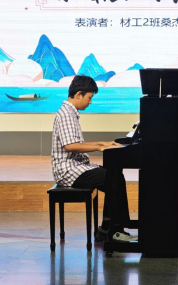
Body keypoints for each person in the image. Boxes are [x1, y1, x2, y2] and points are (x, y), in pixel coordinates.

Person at [51, 75, 137, 242]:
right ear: (79, 94)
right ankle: (116, 230)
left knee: (113, 175)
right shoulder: (66, 115)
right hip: (68, 170)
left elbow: (75, 143)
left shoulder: (69, 113)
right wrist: (99, 147)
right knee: (114, 177)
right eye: (89, 97)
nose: (90, 102)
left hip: (74, 167)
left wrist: (104, 143)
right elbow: (70, 146)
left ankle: (106, 228)